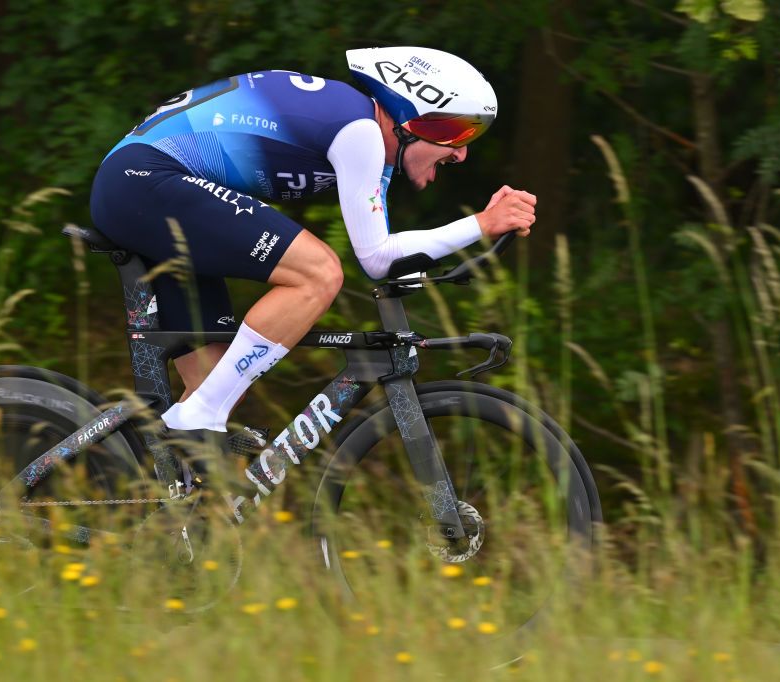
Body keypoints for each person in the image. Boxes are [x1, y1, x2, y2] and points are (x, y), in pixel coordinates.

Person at [90, 46, 536, 449]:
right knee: (318, 272)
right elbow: (377, 259)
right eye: (455, 132)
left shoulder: (367, 142)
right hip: (147, 181)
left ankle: (173, 511)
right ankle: (195, 417)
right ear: (410, 116)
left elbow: (384, 256)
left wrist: (478, 230)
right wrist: (483, 222)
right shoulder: (359, 130)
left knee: (213, 387)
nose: (461, 154)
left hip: (144, 186)